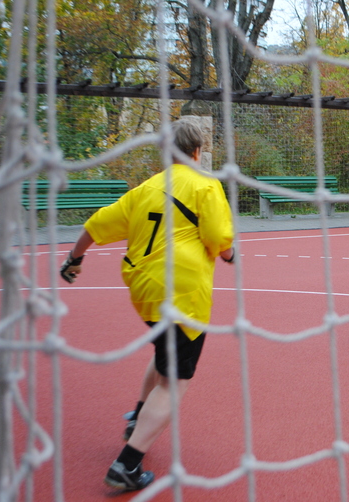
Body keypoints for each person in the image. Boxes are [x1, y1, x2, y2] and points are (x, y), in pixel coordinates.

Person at [59, 119, 235, 491]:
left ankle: (137, 418)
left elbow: (96, 225)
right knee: (175, 382)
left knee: (163, 351)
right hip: (182, 291)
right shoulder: (205, 184)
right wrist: (229, 254)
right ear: (197, 151)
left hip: (143, 288)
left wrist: (74, 259)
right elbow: (219, 237)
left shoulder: (146, 189)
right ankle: (127, 465)